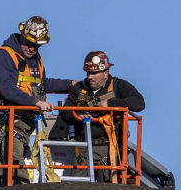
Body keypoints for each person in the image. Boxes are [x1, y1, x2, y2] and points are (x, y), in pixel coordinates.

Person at [0, 17, 73, 190]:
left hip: (25, 122)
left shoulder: (35, 60)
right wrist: (35, 102)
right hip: (4, 121)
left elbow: (43, 83)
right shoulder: (4, 56)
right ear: (22, 36)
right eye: (29, 43)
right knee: (12, 161)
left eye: (37, 45)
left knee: (14, 162)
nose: (32, 48)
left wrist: (71, 85)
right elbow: (7, 89)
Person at [52, 52, 145, 182]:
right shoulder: (79, 89)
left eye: (94, 73)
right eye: (88, 73)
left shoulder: (118, 86)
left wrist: (111, 104)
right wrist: (78, 114)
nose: (90, 77)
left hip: (108, 148)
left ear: (106, 73)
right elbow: (66, 113)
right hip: (83, 148)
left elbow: (139, 103)